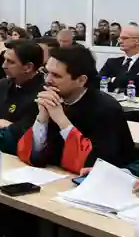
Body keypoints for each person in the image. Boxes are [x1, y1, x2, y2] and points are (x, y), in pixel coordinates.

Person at [17, 45, 135, 173]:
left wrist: (62, 120)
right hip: (53, 175)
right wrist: (42, 119)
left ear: (81, 80)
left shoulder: (106, 109)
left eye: (56, 75)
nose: (48, 80)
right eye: (46, 72)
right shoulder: (46, 97)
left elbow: (93, 165)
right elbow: (29, 153)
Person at [99, 25, 139, 93]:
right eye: (119, 38)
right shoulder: (111, 62)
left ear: (137, 41)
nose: (120, 41)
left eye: (124, 38)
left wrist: (112, 80)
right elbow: (97, 81)